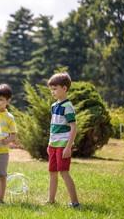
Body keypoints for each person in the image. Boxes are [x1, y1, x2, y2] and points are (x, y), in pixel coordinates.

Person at [45, 72, 80, 208]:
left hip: (63, 146)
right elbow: (54, 127)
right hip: (53, 145)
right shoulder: (54, 106)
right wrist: (50, 144)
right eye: (51, 89)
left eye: (55, 89)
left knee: (64, 172)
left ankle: (75, 203)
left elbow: (74, 127)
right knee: (52, 172)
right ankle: (51, 200)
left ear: (64, 89)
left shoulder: (68, 107)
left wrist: (68, 147)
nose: (52, 92)